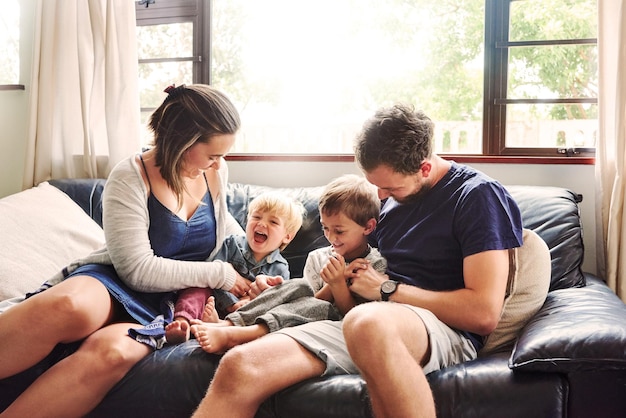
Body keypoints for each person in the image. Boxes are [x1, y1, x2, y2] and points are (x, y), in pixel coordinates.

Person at [191, 104, 523, 418]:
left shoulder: (476, 196)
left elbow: (483, 314)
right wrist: (270, 289)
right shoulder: (389, 203)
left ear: (424, 168)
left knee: (366, 323)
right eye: (376, 186)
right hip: (366, 321)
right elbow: (354, 262)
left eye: (390, 189)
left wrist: (388, 291)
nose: (381, 198)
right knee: (240, 367)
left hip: (441, 330)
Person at [0, 84, 253, 418]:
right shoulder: (131, 176)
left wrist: (254, 275)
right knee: (68, 305)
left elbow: (225, 235)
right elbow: (136, 270)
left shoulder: (214, 174)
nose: (219, 164)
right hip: (114, 279)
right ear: (182, 141)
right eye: (212, 154)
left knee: (113, 353)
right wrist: (220, 274)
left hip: (165, 305)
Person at [190, 174, 387, 353]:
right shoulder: (318, 257)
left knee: (312, 305)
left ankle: (236, 335)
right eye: (325, 228)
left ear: (368, 227)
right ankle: (230, 325)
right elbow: (309, 297)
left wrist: (338, 284)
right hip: (302, 313)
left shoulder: (375, 266)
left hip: (331, 326)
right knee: (298, 285)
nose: (330, 237)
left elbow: (352, 318)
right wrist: (336, 280)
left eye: (339, 231)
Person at [164, 191, 305, 344]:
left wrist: (249, 303)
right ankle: (183, 322)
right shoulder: (232, 243)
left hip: (243, 316)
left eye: (273, 222)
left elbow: (275, 301)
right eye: (256, 217)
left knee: (266, 313)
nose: (262, 224)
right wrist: (231, 303)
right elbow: (211, 273)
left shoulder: (280, 268)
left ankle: (218, 325)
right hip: (214, 299)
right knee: (198, 286)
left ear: (287, 236)